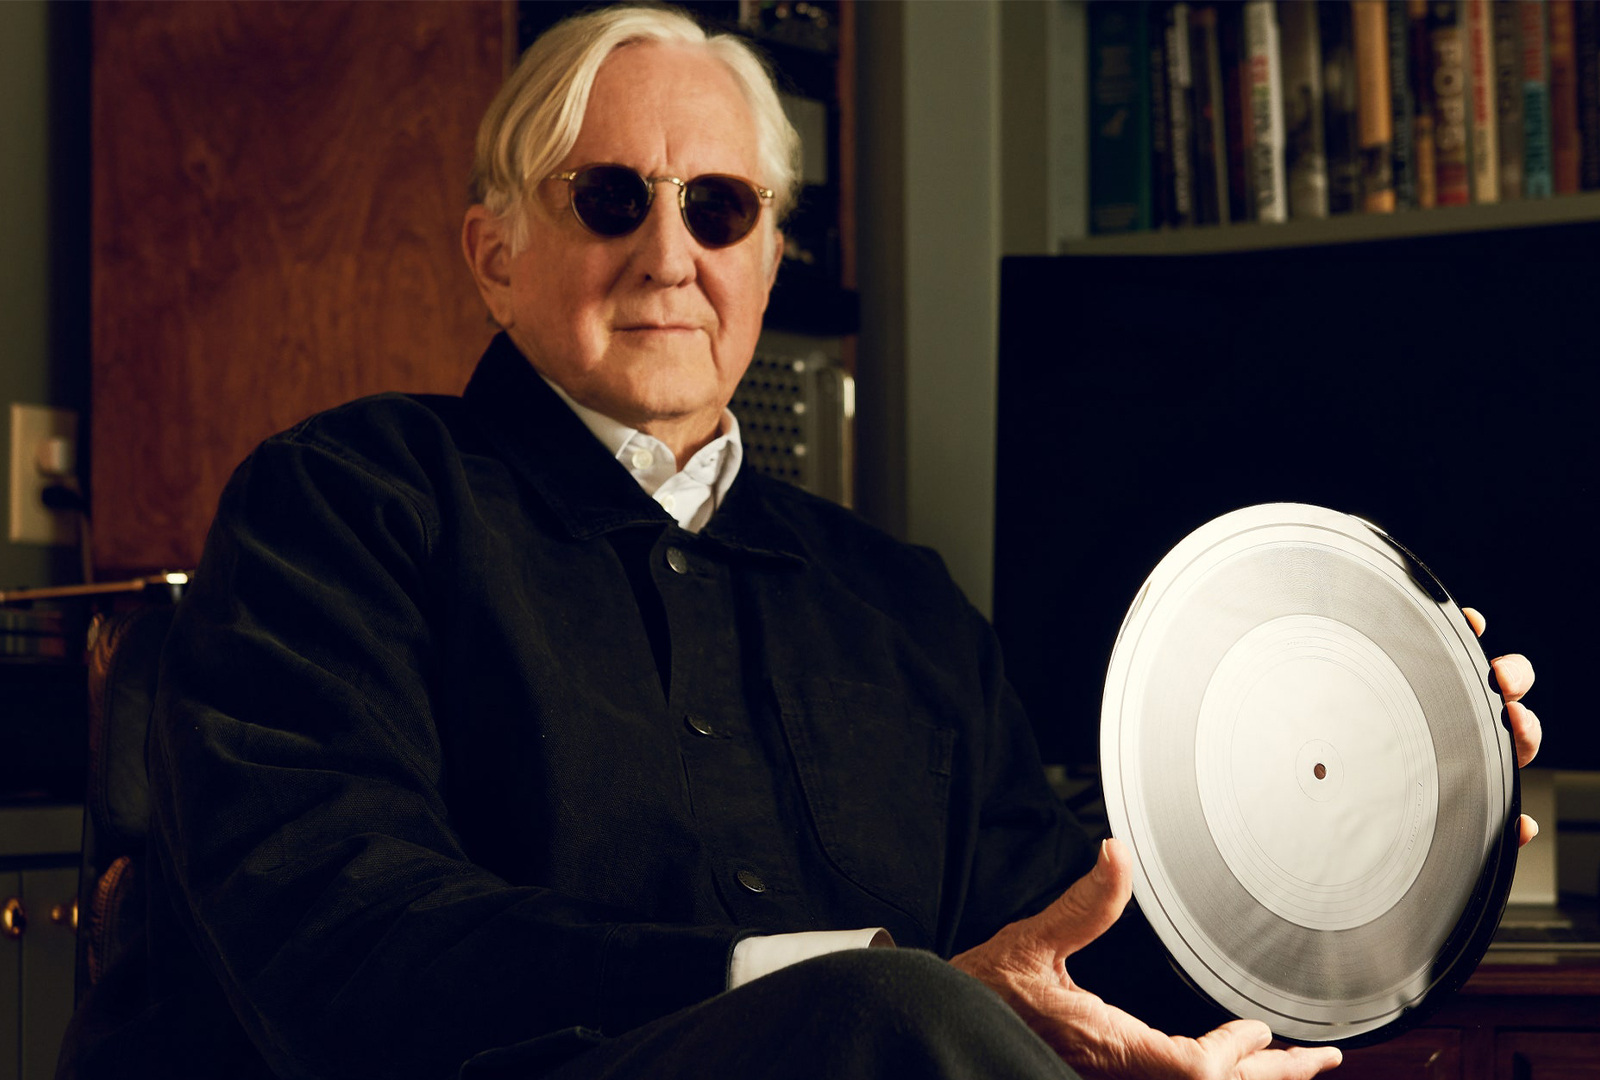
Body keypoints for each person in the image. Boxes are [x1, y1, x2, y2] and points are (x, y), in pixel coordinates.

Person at [58, 6, 1543, 1080]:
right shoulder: (342, 506)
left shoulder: (902, 613)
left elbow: (1066, 952)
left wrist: (1390, 809)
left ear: (771, 253)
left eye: (718, 208)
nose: (668, 255)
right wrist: (829, 983)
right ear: (494, 252)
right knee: (889, 1016)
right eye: (609, 198)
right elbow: (338, 935)